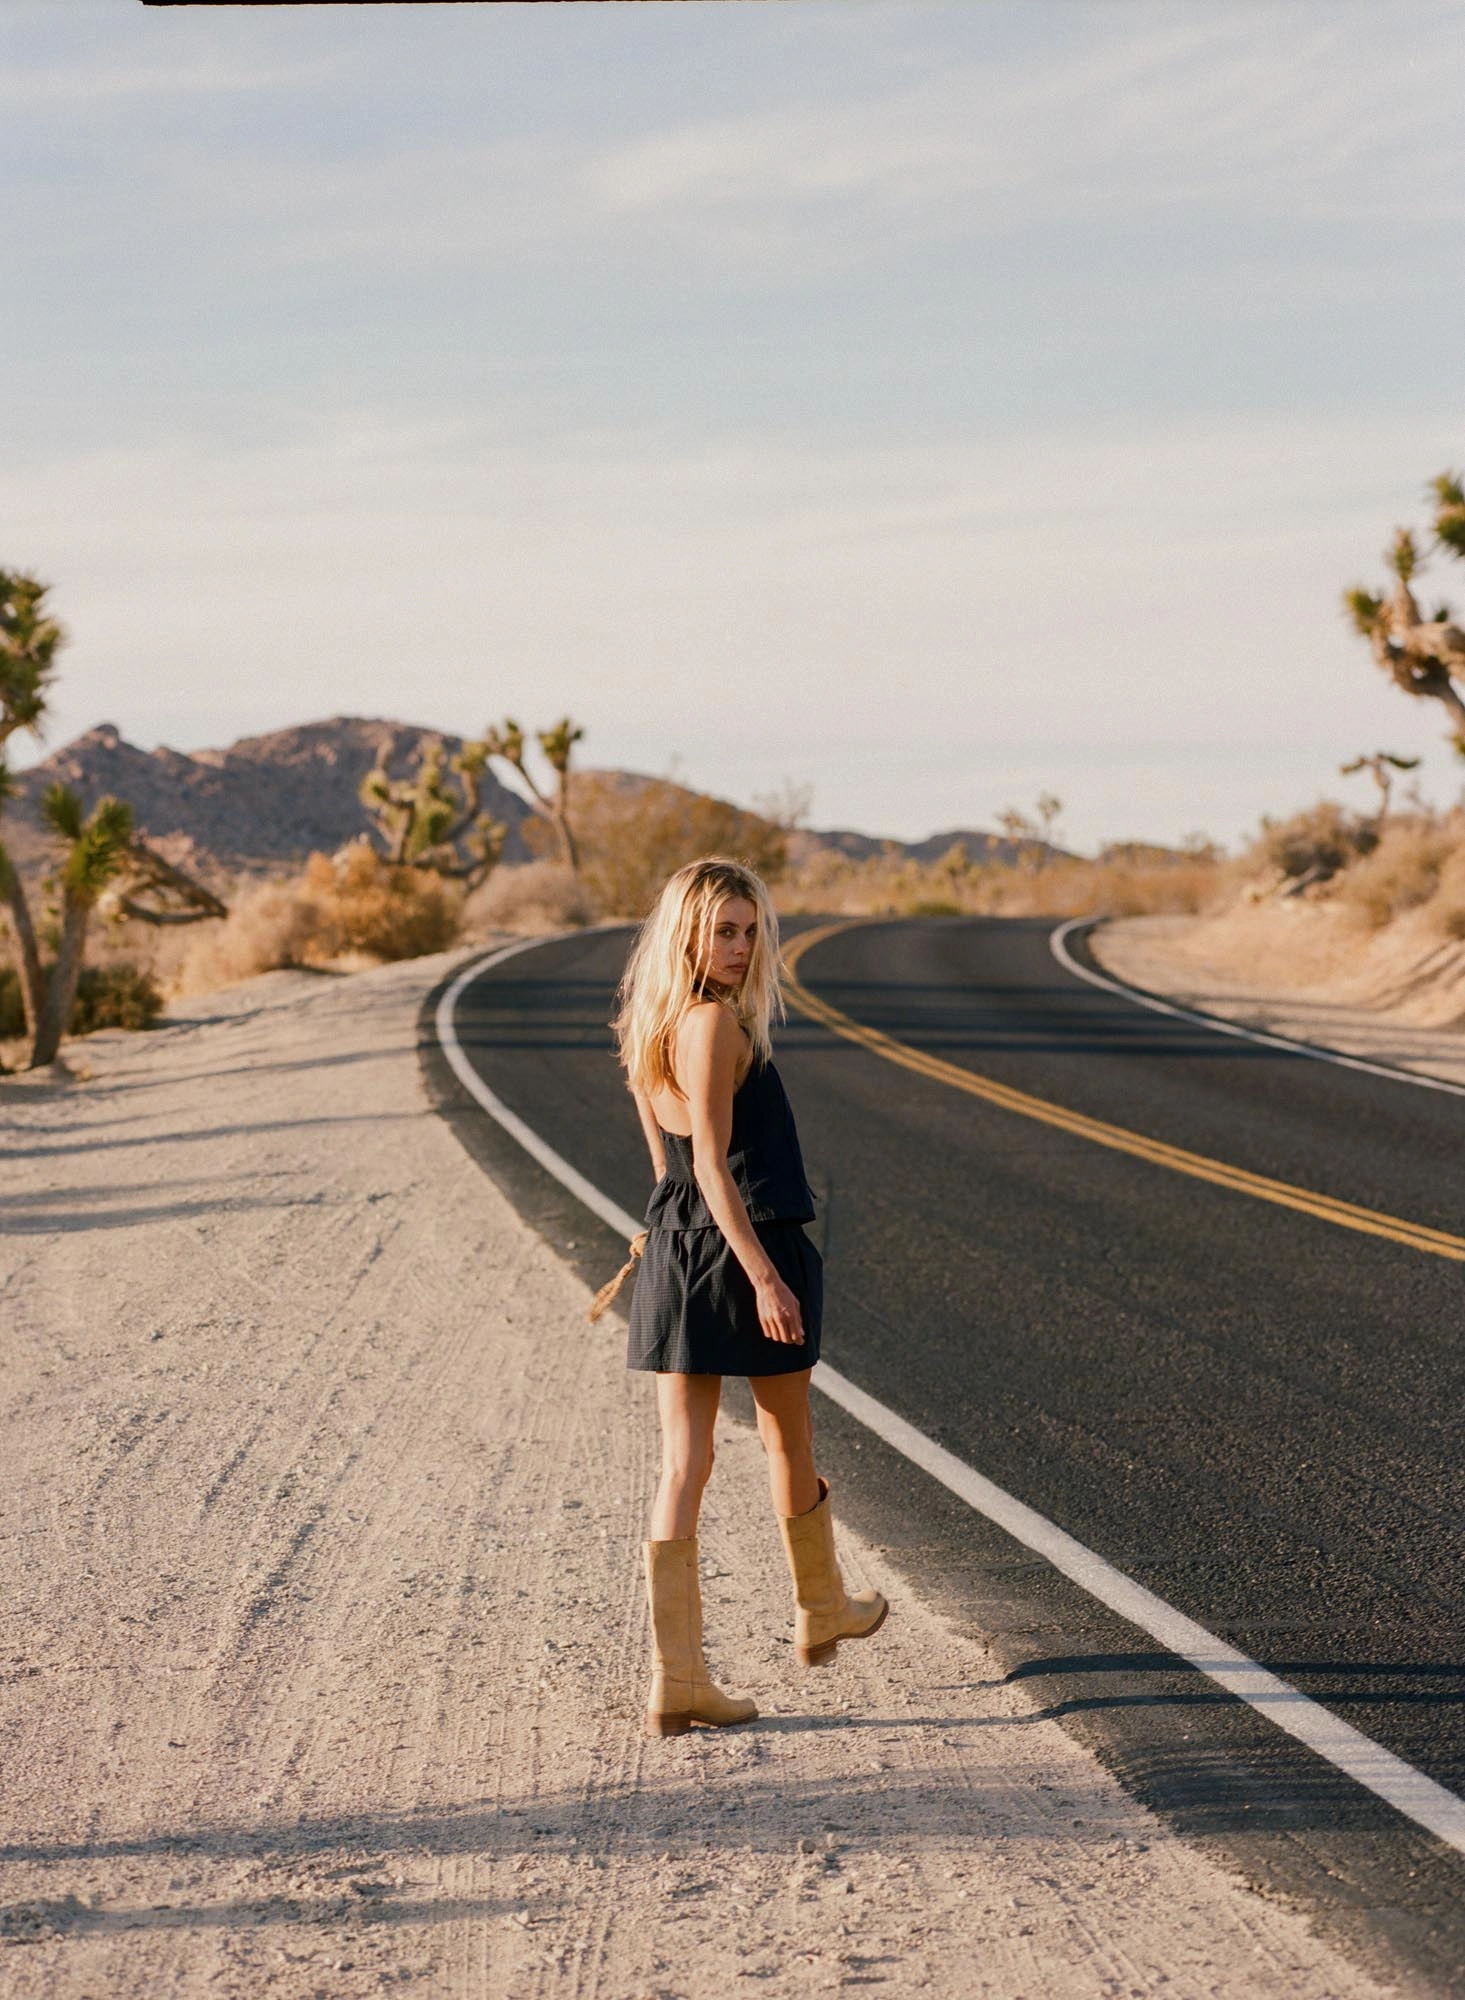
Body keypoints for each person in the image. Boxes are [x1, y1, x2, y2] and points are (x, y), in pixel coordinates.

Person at [606, 856, 888, 1738]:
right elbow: (712, 1167)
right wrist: (765, 1274)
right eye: (721, 930)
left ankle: (682, 1677)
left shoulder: (647, 1026)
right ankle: (817, 1608)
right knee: (785, 1438)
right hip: (744, 1241)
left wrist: (666, 1231)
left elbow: (667, 1169)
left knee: (685, 1464)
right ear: (687, 933)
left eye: (748, 928)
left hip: (678, 1250)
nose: (737, 946)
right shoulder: (715, 1026)